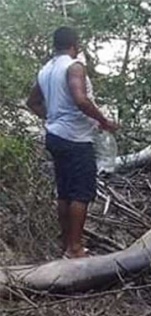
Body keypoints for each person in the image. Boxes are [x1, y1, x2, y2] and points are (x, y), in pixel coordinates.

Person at [26, 26, 118, 259]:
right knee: (81, 193)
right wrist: (104, 121)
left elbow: (33, 102)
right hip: (75, 139)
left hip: (55, 136)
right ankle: (75, 248)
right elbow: (80, 99)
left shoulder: (45, 70)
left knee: (65, 193)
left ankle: (67, 244)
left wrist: (53, 116)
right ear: (74, 45)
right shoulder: (74, 66)